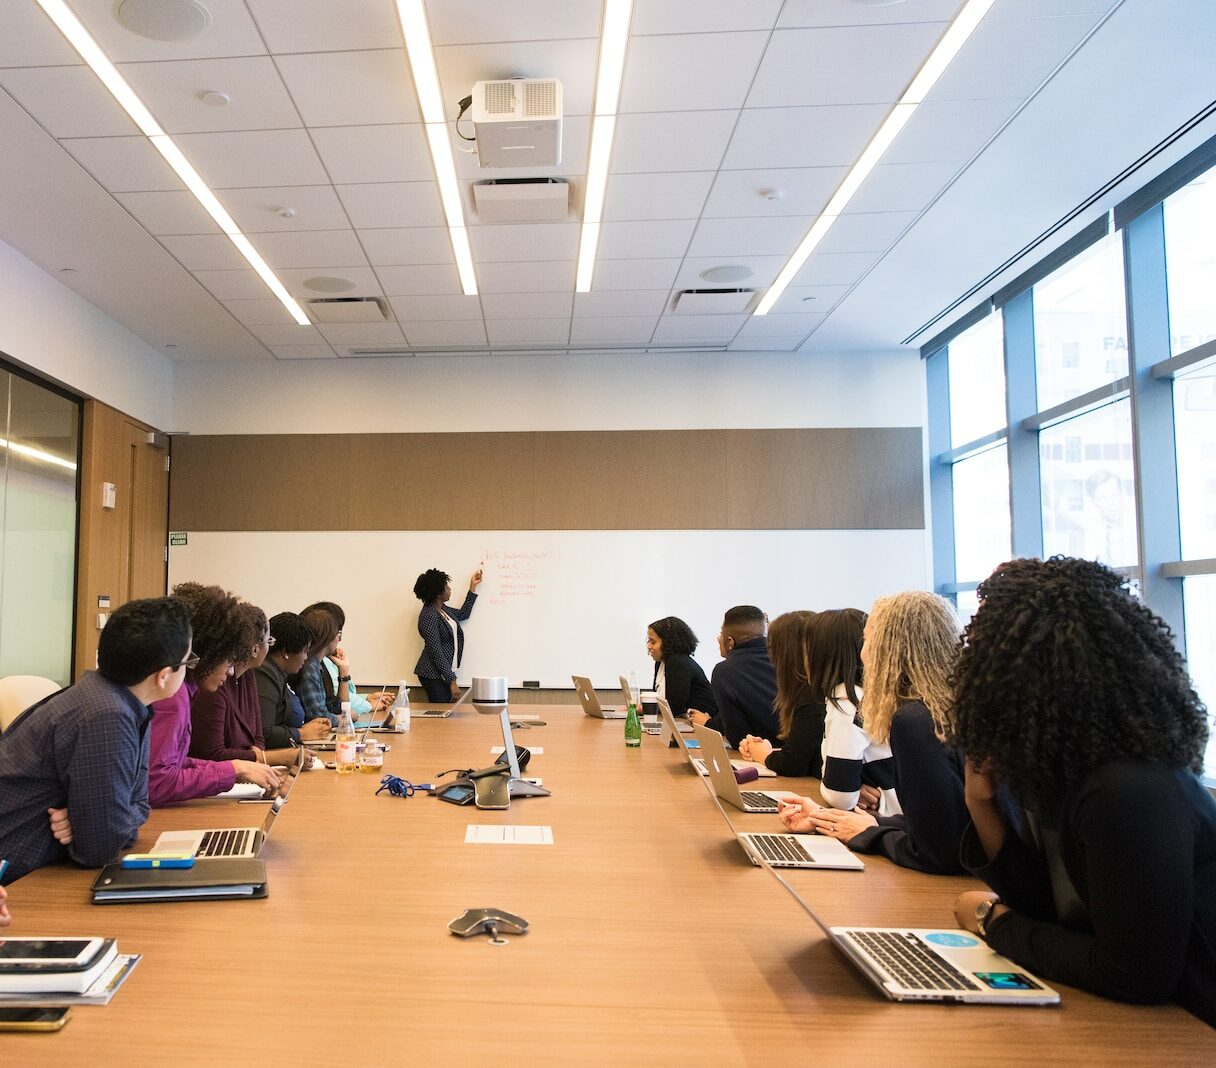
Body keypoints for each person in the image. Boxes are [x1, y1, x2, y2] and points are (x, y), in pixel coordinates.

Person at [947, 557, 1215, 1026]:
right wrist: (981, 802)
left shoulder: (1129, 788)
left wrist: (996, 923)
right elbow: (1050, 912)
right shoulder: (1067, 773)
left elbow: (1137, 977)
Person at [0, 597, 191, 883]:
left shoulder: (124, 702)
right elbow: (99, 849)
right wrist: (97, 824)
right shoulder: (107, 716)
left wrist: (89, 821)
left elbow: (140, 803)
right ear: (163, 676)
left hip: (42, 868)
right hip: (20, 882)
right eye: (189, 660)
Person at [780, 592, 967, 875]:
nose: (862, 653)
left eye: (867, 641)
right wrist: (845, 820)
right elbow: (946, 827)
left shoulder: (915, 720)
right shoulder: (951, 705)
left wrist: (869, 834)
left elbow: (937, 852)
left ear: (890, 650)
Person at [148, 584, 281, 806]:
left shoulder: (184, 689)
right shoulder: (173, 696)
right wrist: (234, 768)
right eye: (228, 660)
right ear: (210, 654)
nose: (230, 671)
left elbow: (174, 763)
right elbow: (157, 782)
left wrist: (237, 769)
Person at [190, 603, 304, 767]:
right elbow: (212, 754)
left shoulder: (248, 674)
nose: (269, 647)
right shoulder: (214, 683)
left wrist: (257, 753)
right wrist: (267, 758)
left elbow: (258, 735)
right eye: (269, 641)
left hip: (248, 774)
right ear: (255, 649)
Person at [300, 601, 391, 720]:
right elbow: (318, 717)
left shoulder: (319, 664)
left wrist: (343, 671)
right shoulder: (309, 667)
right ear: (327, 636)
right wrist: (344, 718)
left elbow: (337, 708)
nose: (340, 639)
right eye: (338, 633)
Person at [706, 605, 779, 747]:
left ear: (730, 642)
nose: (718, 639)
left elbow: (737, 736)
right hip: (794, 755)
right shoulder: (783, 660)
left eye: (721, 634)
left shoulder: (724, 671)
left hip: (757, 756)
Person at [257, 612, 329, 748]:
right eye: (304, 651)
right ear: (285, 652)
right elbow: (264, 732)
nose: (306, 657)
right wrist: (301, 733)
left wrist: (307, 728)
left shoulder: (277, 673)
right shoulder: (265, 674)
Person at [414, 568, 482, 702]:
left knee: (447, 713)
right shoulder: (428, 615)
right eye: (446, 587)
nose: (450, 589)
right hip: (432, 674)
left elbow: (464, 614)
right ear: (438, 593)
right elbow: (435, 651)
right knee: (442, 714)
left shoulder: (443, 609)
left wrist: (472, 587)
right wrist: (452, 681)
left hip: (443, 673)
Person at [647, 616, 717, 724]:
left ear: (668, 643)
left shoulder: (677, 662)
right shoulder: (661, 662)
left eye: (653, 642)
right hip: (684, 722)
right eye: (648, 641)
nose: (649, 646)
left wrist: (650, 707)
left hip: (702, 725)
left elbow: (674, 708)